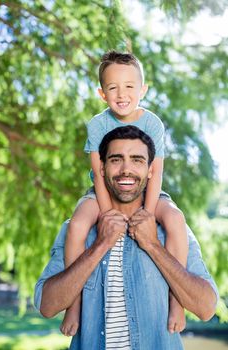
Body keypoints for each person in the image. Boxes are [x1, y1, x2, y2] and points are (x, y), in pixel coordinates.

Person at [35, 126, 218, 350]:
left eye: (137, 160)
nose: (126, 169)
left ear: (151, 170)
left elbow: (206, 307)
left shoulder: (171, 230)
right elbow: (47, 305)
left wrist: (152, 244)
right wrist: (101, 244)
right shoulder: (78, 229)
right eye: (116, 159)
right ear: (101, 168)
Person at [61, 50, 188, 337]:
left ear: (142, 89)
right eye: (113, 87)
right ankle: (73, 303)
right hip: (102, 192)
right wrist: (108, 214)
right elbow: (98, 172)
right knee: (79, 223)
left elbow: (155, 173)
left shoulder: (152, 123)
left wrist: (148, 212)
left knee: (175, 219)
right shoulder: (97, 125)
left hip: (147, 191)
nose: (122, 93)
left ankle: (177, 301)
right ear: (102, 93)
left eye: (130, 86)